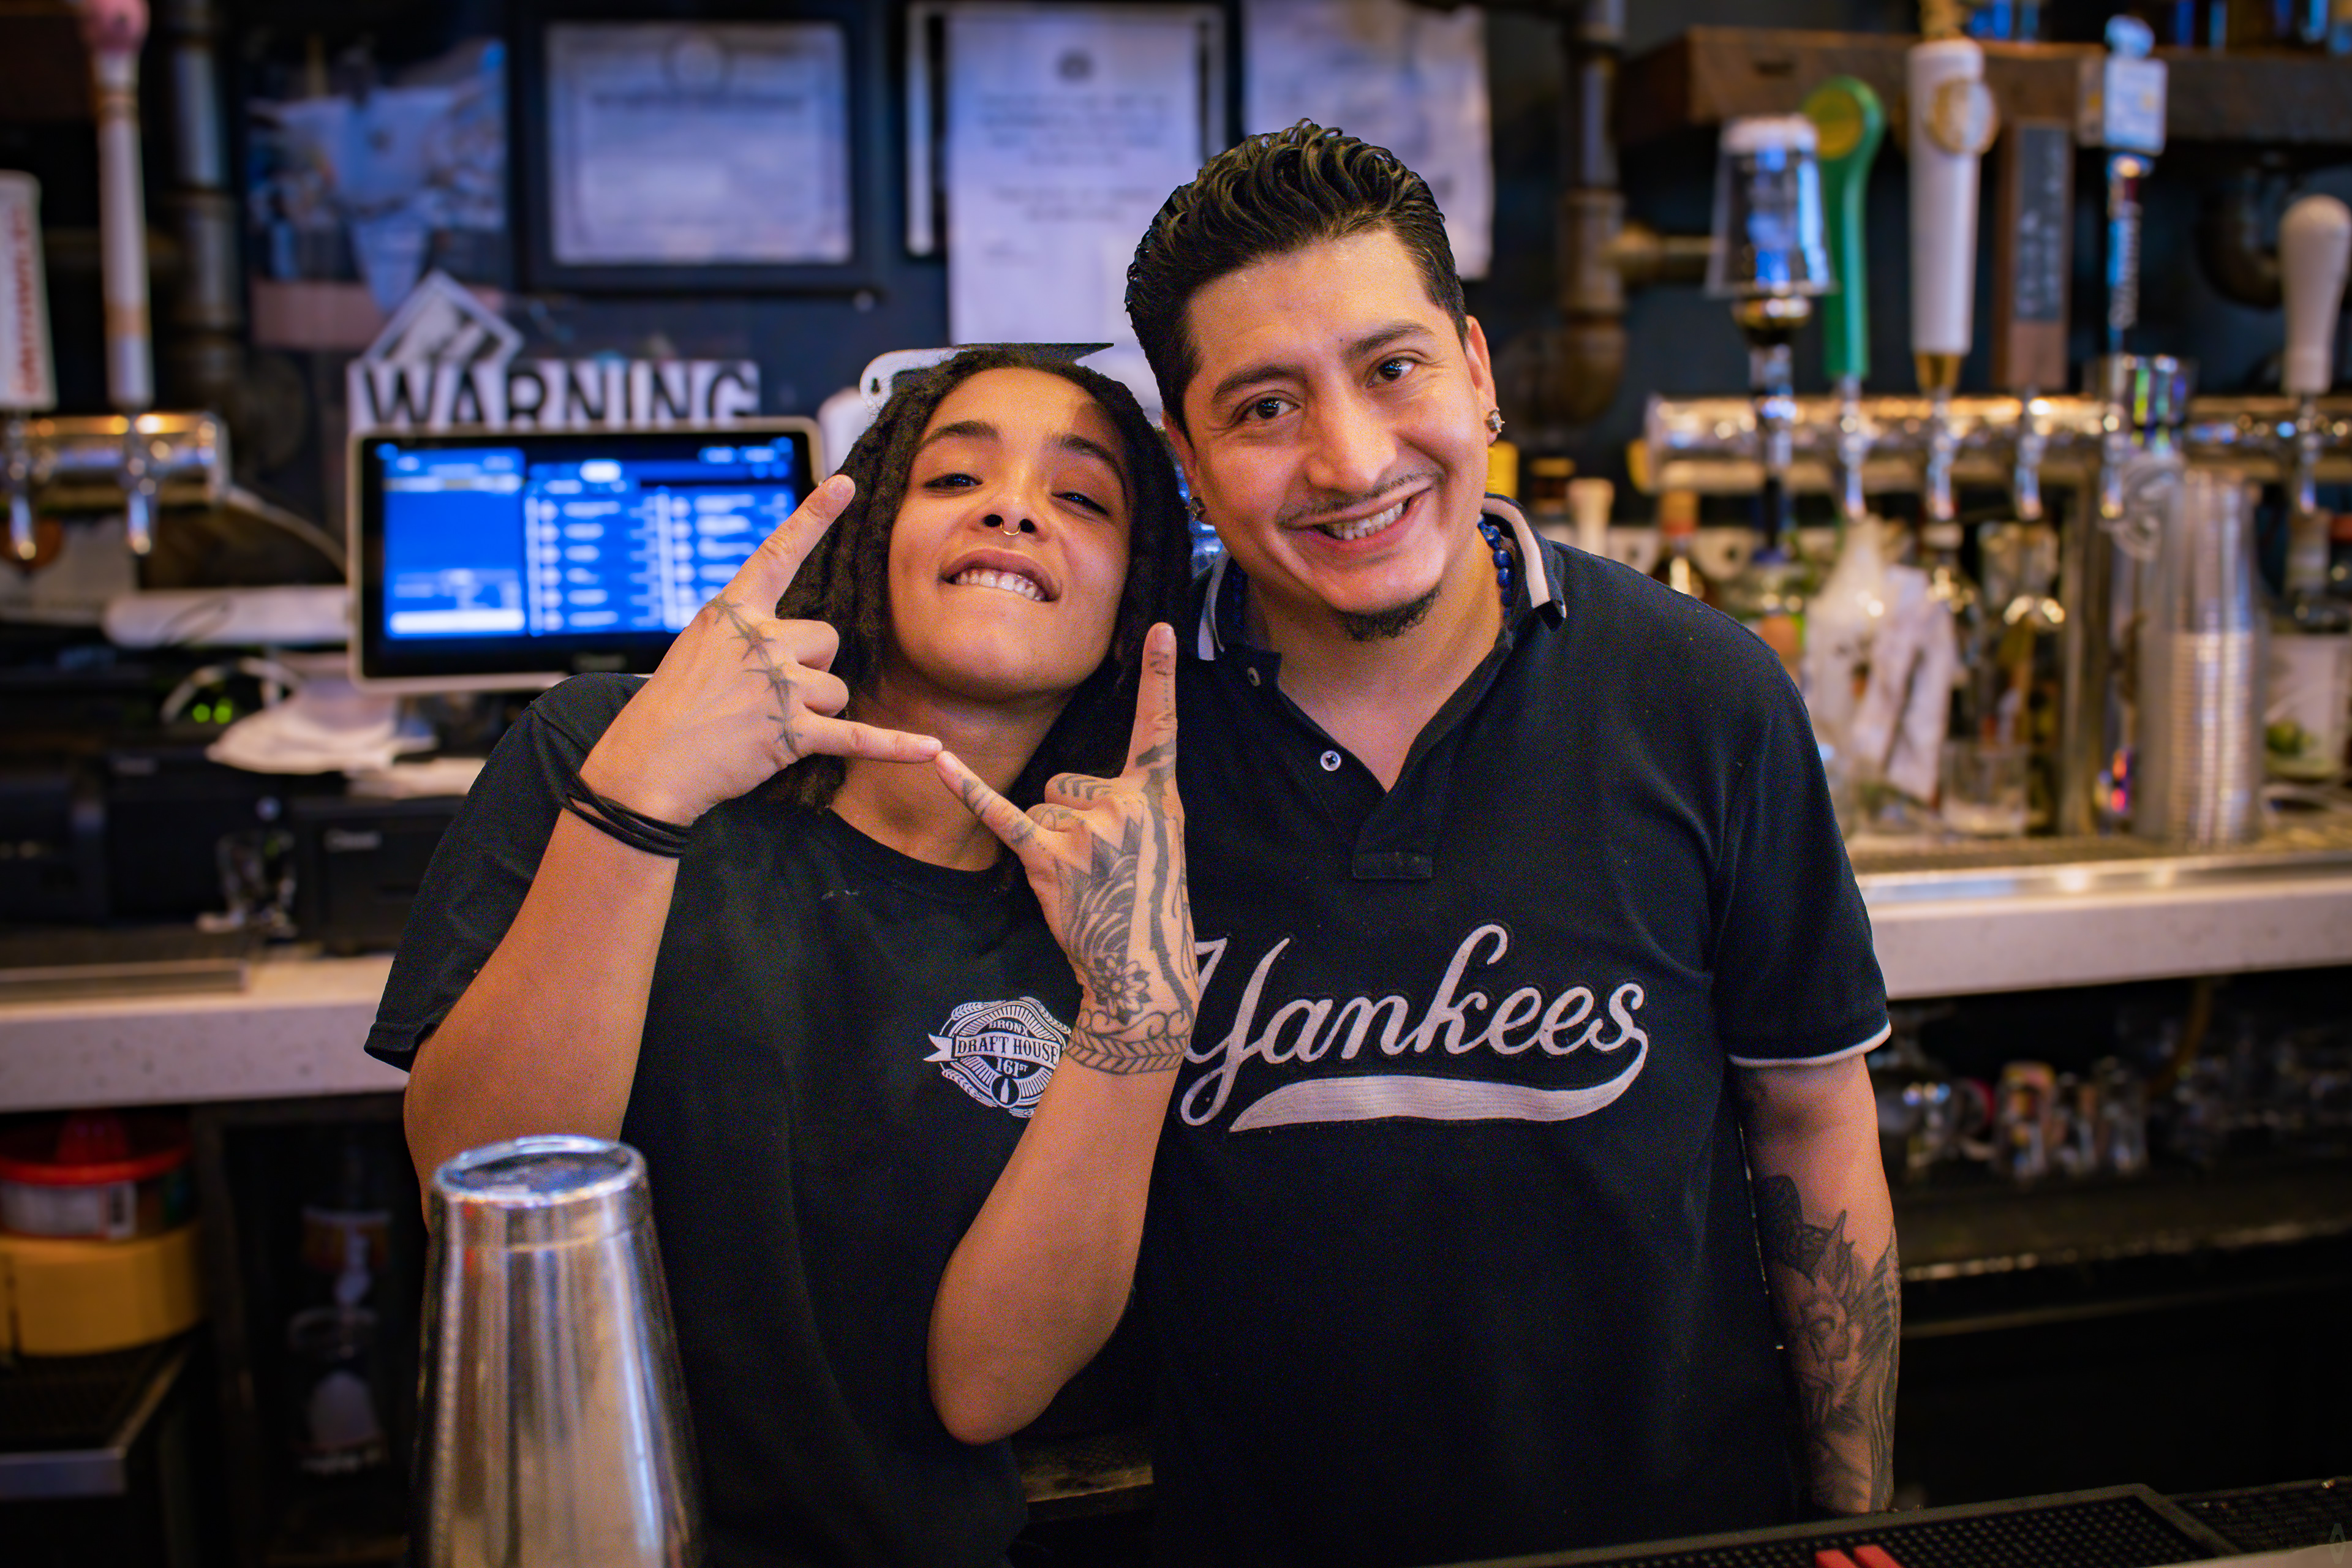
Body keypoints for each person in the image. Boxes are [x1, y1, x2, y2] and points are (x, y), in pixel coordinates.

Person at [1119, 122, 1898, 1565]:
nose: (1352, 458)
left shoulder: (1705, 691)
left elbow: (1811, 1112)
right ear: (1190, 457)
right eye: (1265, 405)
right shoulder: (1124, 739)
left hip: (1677, 1540)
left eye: (1392, 367)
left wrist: (1853, 1516)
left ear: (1477, 372)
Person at [369, 346, 1198, 1568]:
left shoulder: (1103, 906)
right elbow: (483, 1186)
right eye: (953, 477)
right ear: (869, 537)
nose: (1013, 508)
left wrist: (1141, 1013)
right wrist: (640, 801)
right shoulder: (605, 743)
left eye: (1081, 498)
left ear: (1133, 606)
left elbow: (990, 1387)